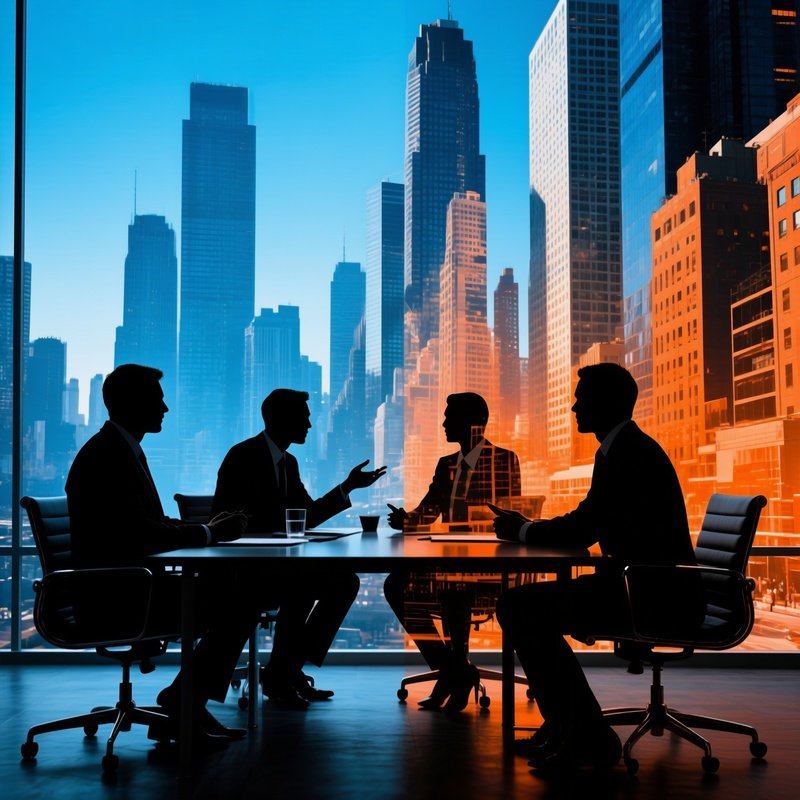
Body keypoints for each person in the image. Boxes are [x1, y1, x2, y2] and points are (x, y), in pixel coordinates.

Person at [493, 363, 698, 774]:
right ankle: (566, 726)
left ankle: (589, 738)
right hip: (641, 587)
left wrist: (523, 530)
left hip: (650, 596)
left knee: (521, 608)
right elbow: (589, 519)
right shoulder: (622, 449)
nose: (573, 407)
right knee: (522, 606)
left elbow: (583, 529)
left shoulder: (628, 455)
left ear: (607, 404)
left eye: (582, 398)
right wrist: (526, 529)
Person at [65, 364, 253, 749]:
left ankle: (186, 702)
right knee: (238, 606)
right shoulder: (108, 457)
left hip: (125, 586)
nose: (165, 408)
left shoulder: (120, 450)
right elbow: (138, 534)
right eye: (157, 398)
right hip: (117, 596)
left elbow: (142, 523)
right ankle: (184, 704)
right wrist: (209, 532)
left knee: (233, 596)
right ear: (130, 403)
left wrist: (207, 529)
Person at [211, 388, 386, 708]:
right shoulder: (244, 456)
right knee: (302, 587)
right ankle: (282, 675)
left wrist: (348, 486)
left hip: (277, 566)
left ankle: (287, 670)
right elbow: (231, 520)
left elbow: (307, 516)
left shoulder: (287, 463)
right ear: (281, 419)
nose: (309, 424)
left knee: (344, 582)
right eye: (304, 417)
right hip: (245, 570)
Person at [383, 392, 521, 712]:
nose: (443, 423)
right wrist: (406, 520)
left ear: (472, 424)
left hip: (488, 570)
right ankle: (453, 670)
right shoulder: (446, 465)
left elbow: (507, 515)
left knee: (454, 587)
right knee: (395, 585)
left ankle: (453, 675)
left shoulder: (503, 460)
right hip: (452, 566)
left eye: (450, 417)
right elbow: (427, 513)